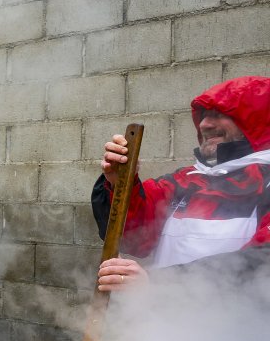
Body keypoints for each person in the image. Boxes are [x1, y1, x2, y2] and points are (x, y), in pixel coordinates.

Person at [92, 75, 270, 282]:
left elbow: (261, 264)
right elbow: (133, 239)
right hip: (166, 311)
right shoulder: (186, 180)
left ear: (257, 121)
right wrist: (120, 183)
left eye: (219, 114)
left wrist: (157, 282)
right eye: (203, 116)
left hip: (239, 315)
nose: (204, 124)